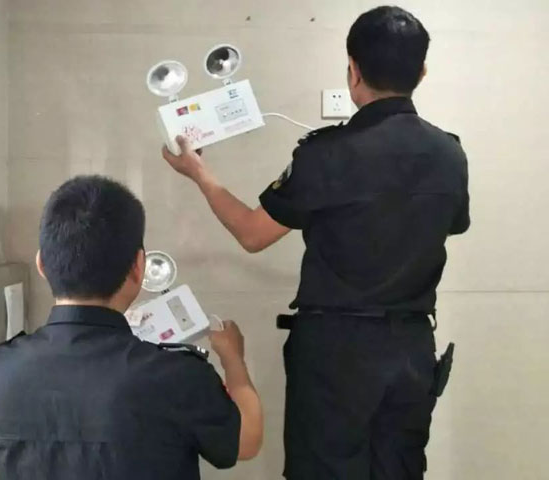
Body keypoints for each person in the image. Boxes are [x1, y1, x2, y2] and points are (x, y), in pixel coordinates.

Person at [162, 5, 469, 480]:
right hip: (411, 350)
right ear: (421, 72)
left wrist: (199, 173)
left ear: (353, 70)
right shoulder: (449, 154)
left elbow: (252, 234)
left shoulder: (327, 154)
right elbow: (450, 225)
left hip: (335, 353)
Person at [0, 175, 263, 480]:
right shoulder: (179, 376)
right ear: (138, 266)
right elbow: (246, 440)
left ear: (42, 264)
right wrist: (233, 359)